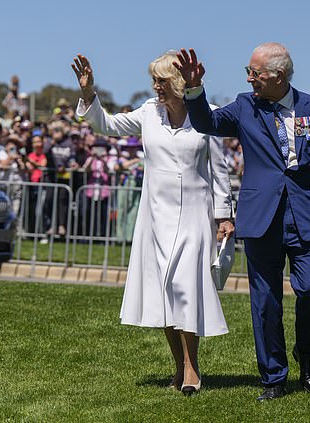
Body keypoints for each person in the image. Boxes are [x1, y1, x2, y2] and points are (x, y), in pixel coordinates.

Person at [174, 43, 310, 401]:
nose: (250, 78)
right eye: (248, 72)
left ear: (278, 76)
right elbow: (207, 122)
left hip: (308, 217)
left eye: (256, 73)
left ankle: (307, 351)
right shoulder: (245, 105)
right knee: (265, 301)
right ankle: (273, 377)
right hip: (262, 217)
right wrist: (194, 90)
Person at [72, 52, 234, 395]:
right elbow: (107, 125)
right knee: (165, 292)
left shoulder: (208, 116)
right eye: (154, 80)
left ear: (178, 83)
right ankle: (179, 368)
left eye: (161, 80)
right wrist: (88, 94)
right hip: (155, 215)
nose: (155, 86)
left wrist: (224, 215)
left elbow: (220, 171)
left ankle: (192, 369)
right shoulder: (148, 112)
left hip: (195, 214)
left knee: (186, 288)